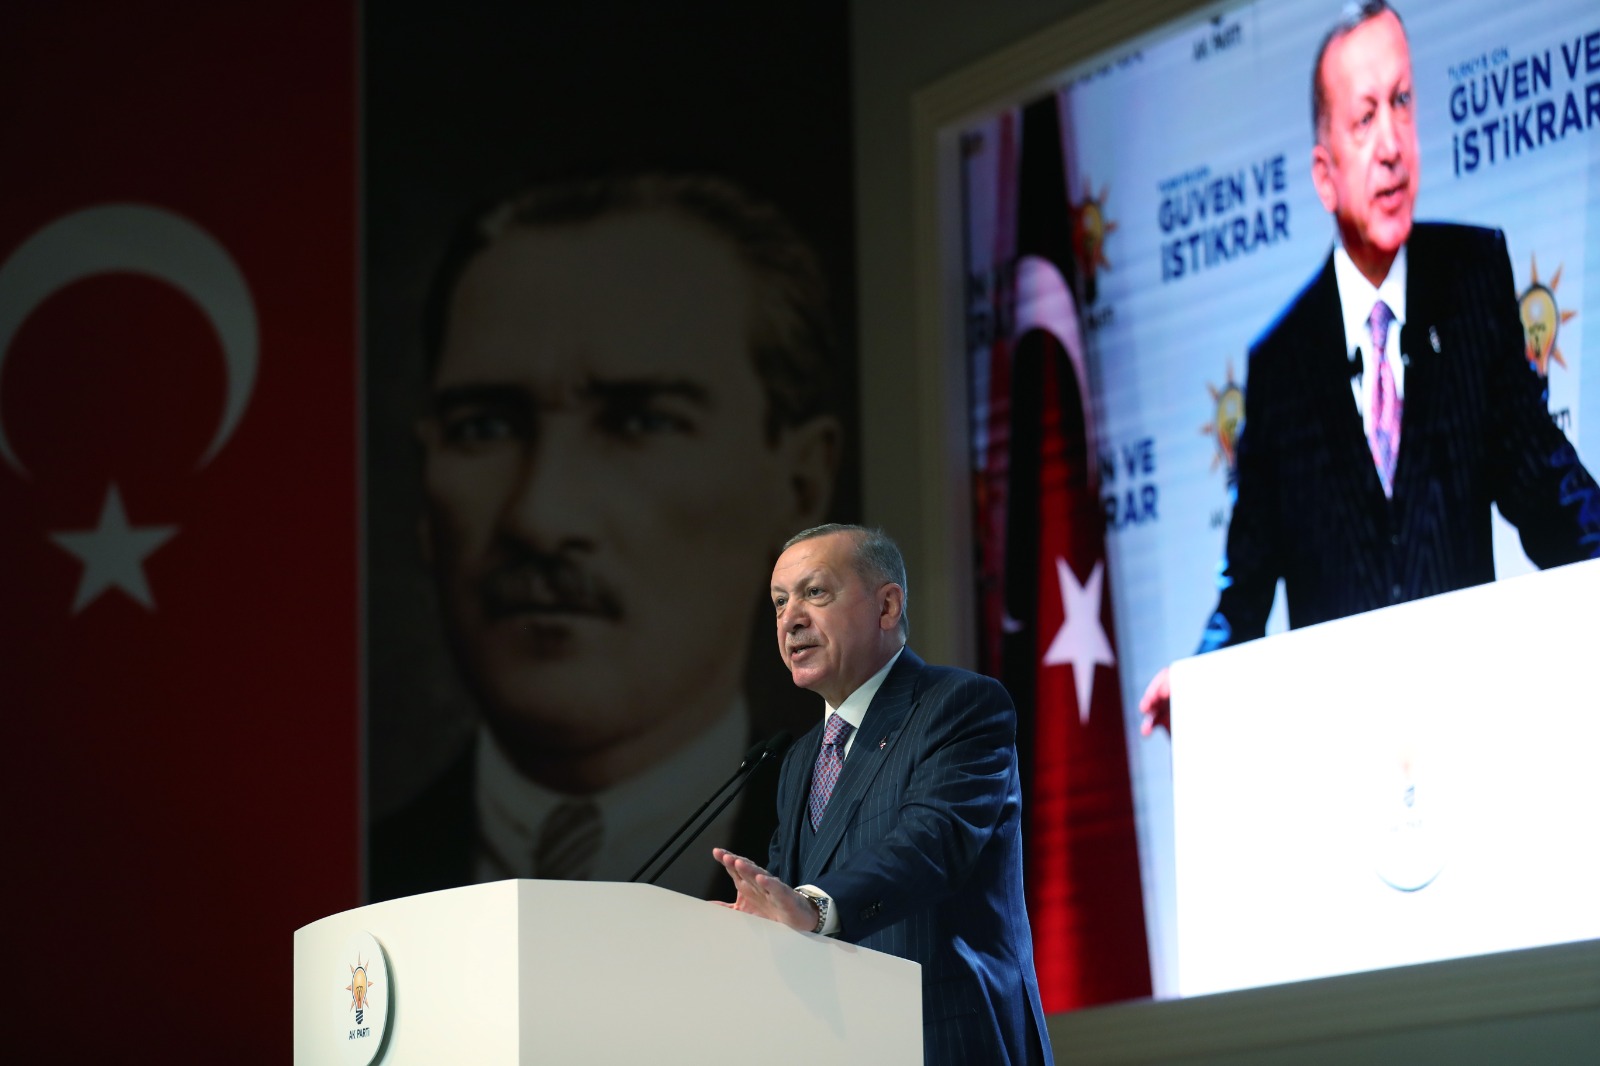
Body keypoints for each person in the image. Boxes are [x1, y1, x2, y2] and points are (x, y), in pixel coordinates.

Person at [369, 173, 842, 901]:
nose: (540, 517)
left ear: (800, 482)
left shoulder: (873, 882)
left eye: (642, 421)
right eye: (484, 427)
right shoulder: (360, 896)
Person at [1139, 0, 1600, 733]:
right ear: (1324, 175)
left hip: (1467, 727)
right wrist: (1198, 680)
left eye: (1402, 102)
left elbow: (1545, 485)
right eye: (1364, 118)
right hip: (1348, 749)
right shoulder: (1280, 364)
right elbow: (1246, 585)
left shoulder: (1473, 278)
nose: (1391, 145)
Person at [714, 524, 1053, 1066]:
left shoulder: (960, 705)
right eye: (779, 602)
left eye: (814, 592)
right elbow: (785, 898)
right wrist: (748, 924)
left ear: (887, 606)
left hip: (942, 1038)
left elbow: (930, 844)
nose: (790, 619)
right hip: (833, 1046)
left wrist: (813, 906)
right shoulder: (799, 759)